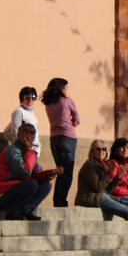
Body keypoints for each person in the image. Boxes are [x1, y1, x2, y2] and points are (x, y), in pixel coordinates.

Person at [0, 123, 63, 220]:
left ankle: (26, 209)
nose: (29, 134)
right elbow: (25, 171)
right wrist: (29, 149)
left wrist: (51, 173)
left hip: (17, 189)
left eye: (32, 133)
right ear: (18, 135)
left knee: (46, 186)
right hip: (2, 194)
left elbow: (37, 174)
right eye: (25, 131)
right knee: (31, 184)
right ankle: (12, 212)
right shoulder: (13, 150)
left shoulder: (30, 153)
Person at [41, 78, 80, 207]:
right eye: (66, 86)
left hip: (54, 138)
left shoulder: (48, 104)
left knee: (60, 171)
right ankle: (61, 201)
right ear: (62, 87)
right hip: (68, 136)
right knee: (67, 172)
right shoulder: (67, 101)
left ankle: (57, 200)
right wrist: (72, 121)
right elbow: (77, 119)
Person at [9, 87, 40, 155]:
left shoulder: (30, 112)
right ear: (22, 99)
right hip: (25, 148)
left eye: (33, 97)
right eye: (27, 97)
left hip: (34, 148)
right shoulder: (19, 111)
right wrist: (20, 148)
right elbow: (15, 131)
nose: (30, 100)